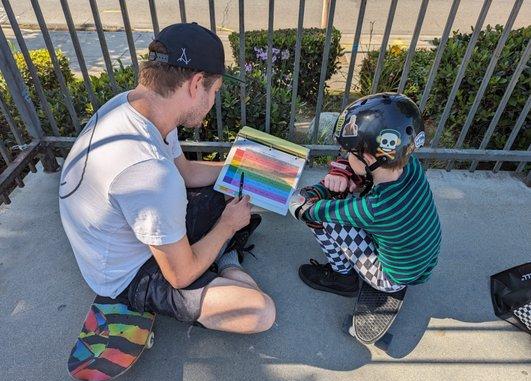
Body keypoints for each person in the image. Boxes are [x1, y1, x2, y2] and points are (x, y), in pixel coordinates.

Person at [59, 22, 275, 334]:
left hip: (122, 232)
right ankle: (224, 257)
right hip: (128, 272)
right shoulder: (151, 174)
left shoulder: (135, 106)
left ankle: (216, 250)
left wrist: (244, 171)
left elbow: (185, 172)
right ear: (196, 83)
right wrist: (226, 226)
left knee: (231, 191)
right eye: (214, 91)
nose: (213, 100)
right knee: (259, 311)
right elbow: (180, 276)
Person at [289, 93, 442, 296]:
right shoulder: (411, 167)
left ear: (368, 158)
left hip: (390, 279)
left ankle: (342, 277)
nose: (346, 156)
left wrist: (304, 202)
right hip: (420, 264)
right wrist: (344, 172)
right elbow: (367, 174)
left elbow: (314, 211)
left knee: (328, 220)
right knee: (349, 200)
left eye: (350, 153)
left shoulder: (376, 208)